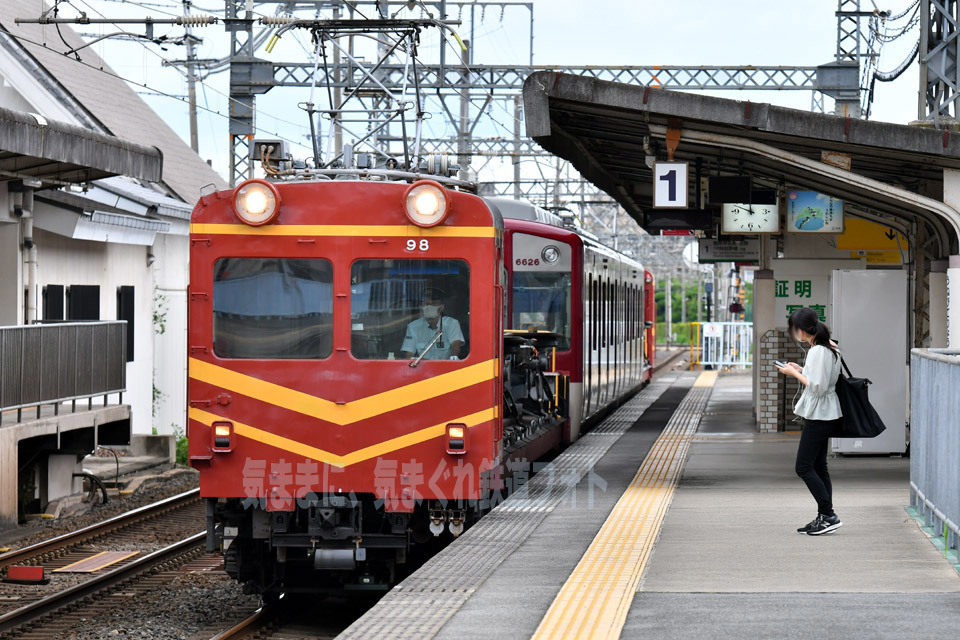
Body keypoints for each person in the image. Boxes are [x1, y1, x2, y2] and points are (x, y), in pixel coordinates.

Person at [775, 307, 844, 536]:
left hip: (819, 413)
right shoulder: (829, 346)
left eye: (795, 329)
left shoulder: (817, 351)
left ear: (802, 330)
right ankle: (825, 516)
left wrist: (793, 374)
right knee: (818, 466)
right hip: (827, 411)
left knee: (803, 466)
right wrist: (801, 369)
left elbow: (816, 386)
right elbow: (820, 378)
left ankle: (828, 515)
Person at [400, 289, 464, 361]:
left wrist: (453, 358)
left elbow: (456, 346)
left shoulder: (451, 324)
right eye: (426, 304)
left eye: (433, 303)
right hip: (423, 369)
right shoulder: (413, 327)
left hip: (446, 368)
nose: (428, 307)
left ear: (441, 307)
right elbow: (409, 356)